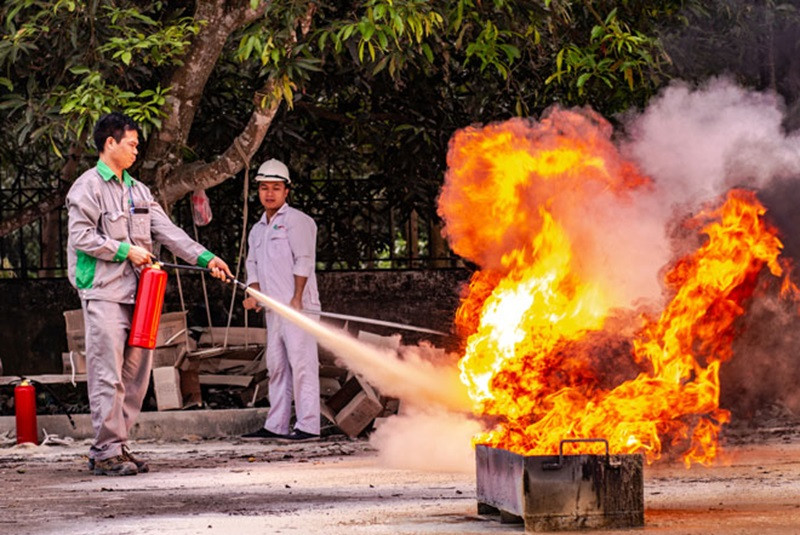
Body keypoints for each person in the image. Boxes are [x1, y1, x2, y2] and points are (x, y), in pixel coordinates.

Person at [66, 112, 232, 476]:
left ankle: (116, 446)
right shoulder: (87, 188)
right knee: (107, 373)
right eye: (132, 144)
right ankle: (106, 449)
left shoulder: (138, 191)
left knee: (137, 374)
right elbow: (81, 237)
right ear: (110, 143)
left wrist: (207, 259)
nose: (136, 150)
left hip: (140, 296)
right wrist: (127, 251)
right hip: (104, 292)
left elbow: (168, 232)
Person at [241, 158, 321, 441]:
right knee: (276, 366)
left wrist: (297, 298)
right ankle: (276, 425)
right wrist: (252, 292)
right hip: (273, 310)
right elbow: (252, 264)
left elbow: (304, 260)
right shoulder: (258, 228)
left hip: (299, 308)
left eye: (276, 188)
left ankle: (309, 426)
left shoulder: (298, 221)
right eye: (264, 188)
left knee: (302, 365)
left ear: (287, 191)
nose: (269, 193)